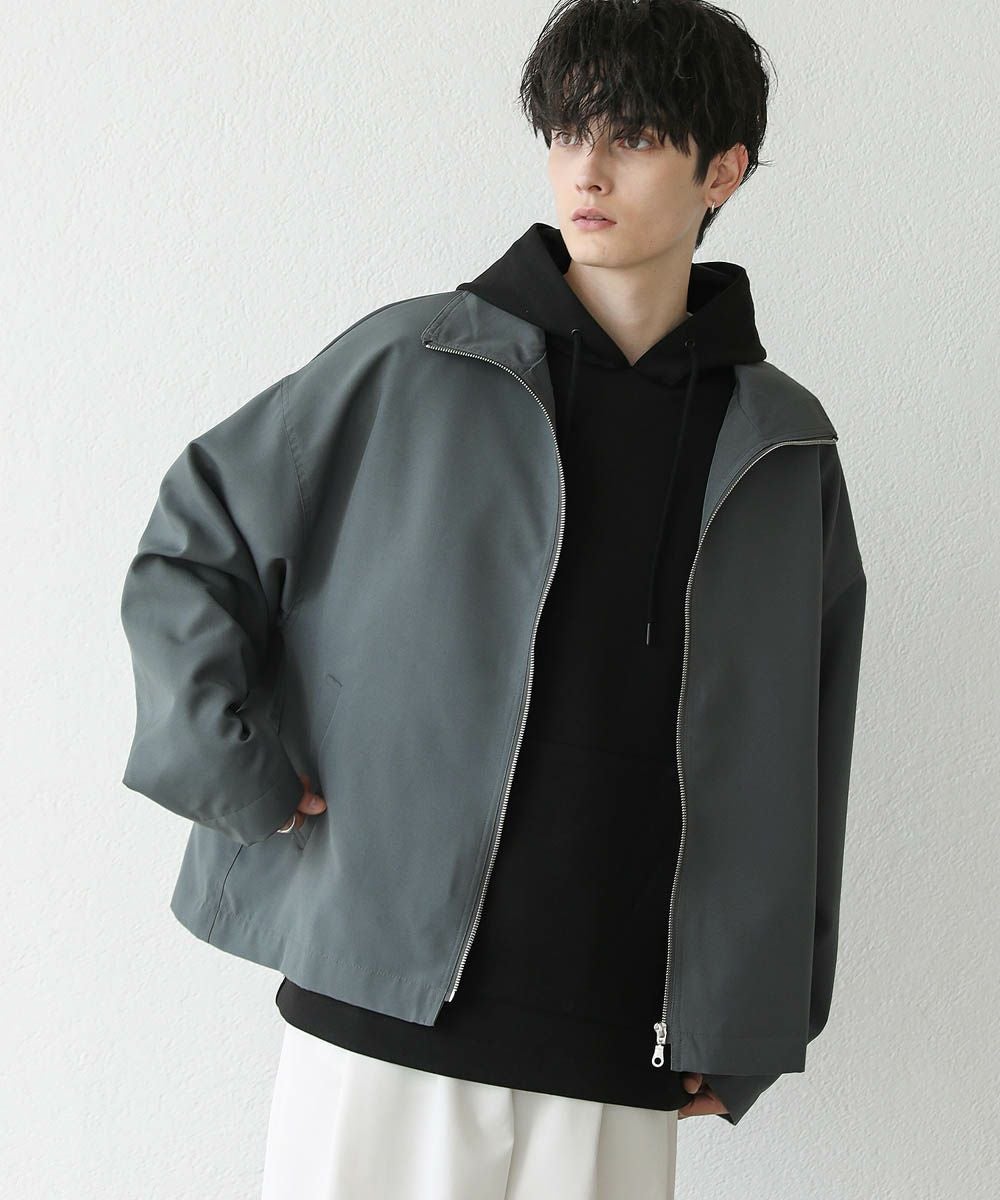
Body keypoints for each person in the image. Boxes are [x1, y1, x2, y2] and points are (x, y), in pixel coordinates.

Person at [119, 2, 867, 1196]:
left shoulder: (781, 445)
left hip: (617, 1033)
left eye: (632, 137)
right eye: (567, 133)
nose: (586, 171)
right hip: (382, 1007)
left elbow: (805, 747)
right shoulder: (410, 363)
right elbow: (192, 546)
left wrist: (764, 1009)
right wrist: (232, 766)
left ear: (722, 170)